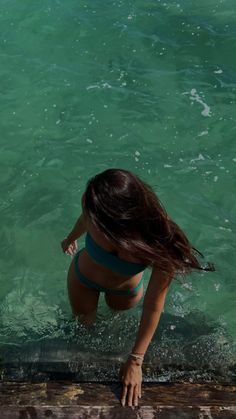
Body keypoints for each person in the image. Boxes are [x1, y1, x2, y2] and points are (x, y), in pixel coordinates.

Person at [61, 168, 214, 407]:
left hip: (125, 291)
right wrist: (70, 238)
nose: (94, 218)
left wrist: (135, 360)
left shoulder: (157, 239)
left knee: (116, 325)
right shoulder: (92, 204)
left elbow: (154, 305)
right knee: (83, 331)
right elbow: (83, 219)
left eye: (101, 218)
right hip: (83, 278)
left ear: (120, 218)